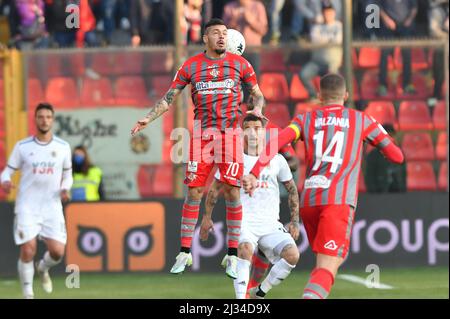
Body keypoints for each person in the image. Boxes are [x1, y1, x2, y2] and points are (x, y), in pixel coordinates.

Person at [243, 73, 404, 299]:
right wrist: (377, 144)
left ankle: (254, 293)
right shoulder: (362, 120)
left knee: (325, 266)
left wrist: (254, 172)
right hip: (336, 203)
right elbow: (397, 156)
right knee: (326, 270)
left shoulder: (305, 119)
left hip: (309, 201)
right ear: (346, 96)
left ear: (319, 96)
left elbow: (276, 141)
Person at [130, 18, 266, 279]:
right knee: (194, 192)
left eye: (225, 33)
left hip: (229, 136)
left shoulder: (240, 64)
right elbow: (169, 97)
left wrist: (257, 107)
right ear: (205, 38)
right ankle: (184, 252)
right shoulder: (191, 66)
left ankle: (233, 254)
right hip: (202, 136)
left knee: (232, 193)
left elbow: (257, 93)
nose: (221, 37)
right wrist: (148, 117)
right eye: (216, 33)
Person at [200, 114, 300, 299]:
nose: (253, 132)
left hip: (270, 223)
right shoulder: (232, 160)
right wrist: (207, 218)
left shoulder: (277, 159)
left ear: (264, 132)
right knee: (245, 249)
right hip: (243, 221)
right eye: (248, 128)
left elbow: (292, 189)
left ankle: (259, 293)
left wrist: (294, 221)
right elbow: (214, 190)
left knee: (292, 255)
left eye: (257, 128)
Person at [0, 103, 73, 299]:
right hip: (27, 206)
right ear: (35, 119)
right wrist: (5, 181)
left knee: (57, 253)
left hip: (52, 206)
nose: (44, 120)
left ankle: (42, 268)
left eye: (48, 117)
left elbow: (68, 175)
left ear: (53, 120)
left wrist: (65, 188)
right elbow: (7, 171)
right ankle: (28, 294)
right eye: (41, 117)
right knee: (28, 248)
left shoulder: (63, 147)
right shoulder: (23, 147)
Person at [299, 3, 342, 101]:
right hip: (317, 62)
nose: (328, 15)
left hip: (332, 62)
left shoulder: (338, 26)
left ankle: (332, 100)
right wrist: (329, 40)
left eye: (330, 12)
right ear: (323, 14)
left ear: (334, 13)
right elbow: (315, 40)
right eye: (326, 13)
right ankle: (314, 95)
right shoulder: (317, 27)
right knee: (303, 74)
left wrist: (323, 40)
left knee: (333, 75)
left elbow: (338, 40)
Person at [377, 0, 418, 96]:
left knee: (407, 54)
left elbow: (414, 8)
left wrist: (409, 20)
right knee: (384, 55)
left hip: (405, 26)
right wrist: (386, 19)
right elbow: (378, 7)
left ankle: (407, 84)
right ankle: (382, 85)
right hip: (388, 27)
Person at [365, 124, 406, 193]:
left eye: (391, 136)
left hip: (397, 193)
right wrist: (374, 193)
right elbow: (369, 177)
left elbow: (403, 174)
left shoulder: (399, 154)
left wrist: (402, 189)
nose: (389, 140)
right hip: (379, 194)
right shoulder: (373, 155)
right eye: (387, 137)